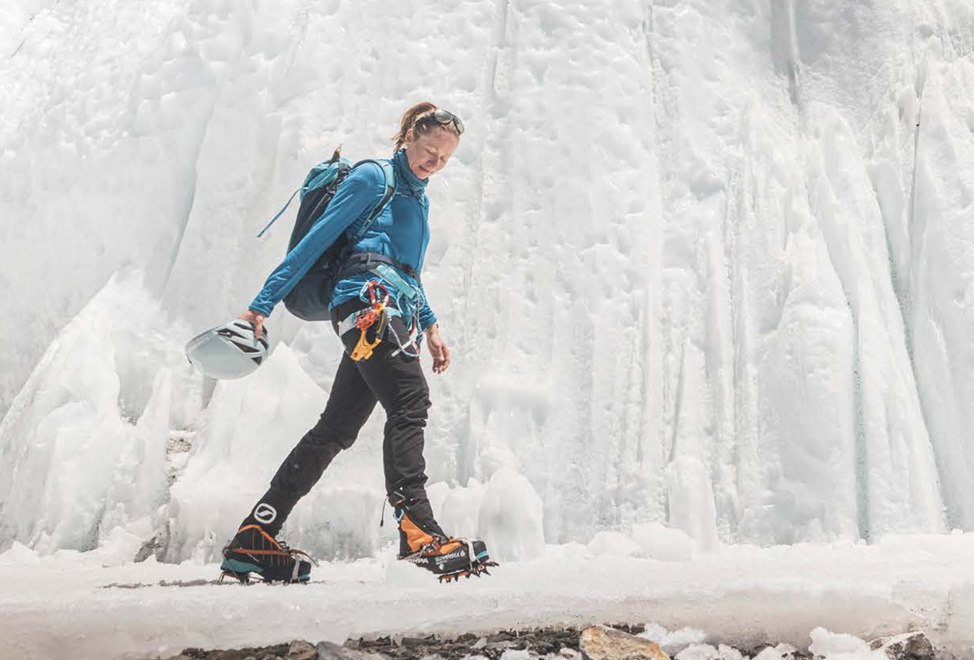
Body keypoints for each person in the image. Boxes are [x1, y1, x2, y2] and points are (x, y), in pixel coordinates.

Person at [219, 102, 494, 583]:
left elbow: (409, 271)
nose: (434, 163)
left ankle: (254, 537)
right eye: (429, 151)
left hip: (393, 309)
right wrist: (260, 306)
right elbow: (313, 243)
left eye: (444, 159)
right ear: (408, 135)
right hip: (366, 304)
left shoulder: (419, 198)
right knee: (410, 401)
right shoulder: (373, 177)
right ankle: (419, 534)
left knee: (336, 429)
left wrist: (430, 326)